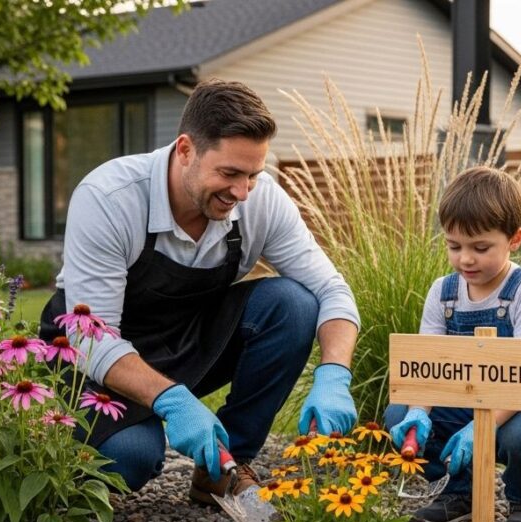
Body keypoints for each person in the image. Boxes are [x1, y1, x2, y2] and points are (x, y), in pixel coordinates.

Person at [39, 79, 360, 500]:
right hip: (94, 357)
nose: (242, 192)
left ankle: (223, 466)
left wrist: (334, 373)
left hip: (189, 339)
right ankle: (63, 455)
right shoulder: (110, 198)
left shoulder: (260, 202)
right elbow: (91, 338)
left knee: (295, 305)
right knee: (129, 458)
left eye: (253, 175)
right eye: (229, 173)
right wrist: (172, 400)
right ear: (186, 150)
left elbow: (332, 291)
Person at [385, 166, 521, 522]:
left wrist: (481, 426)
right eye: (454, 246)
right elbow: (429, 369)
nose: (466, 259)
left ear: (514, 239)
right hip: (465, 404)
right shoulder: (443, 292)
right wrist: (419, 414)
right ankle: (461, 493)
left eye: (480, 248)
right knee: (397, 412)